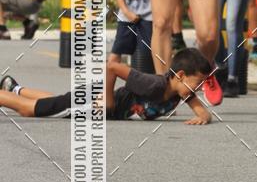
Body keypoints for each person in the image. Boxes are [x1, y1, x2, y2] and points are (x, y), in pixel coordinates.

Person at [0, 48, 212, 124]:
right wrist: (108, 102)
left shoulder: (180, 91)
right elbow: (112, 68)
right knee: (29, 111)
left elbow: (203, 112)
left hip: (95, 101)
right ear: (181, 75)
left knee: (57, 101)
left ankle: (15, 89)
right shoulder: (154, 85)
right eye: (198, 82)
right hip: (94, 102)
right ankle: (12, 95)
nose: (200, 88)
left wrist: (203, 117)